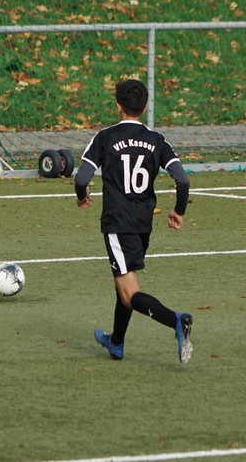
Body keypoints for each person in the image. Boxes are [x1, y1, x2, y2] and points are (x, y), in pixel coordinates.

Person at [73, 79, 193, 363]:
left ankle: (176, 320)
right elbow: (183, 180)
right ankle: (116, 342)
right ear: (146, 107)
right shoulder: (157, 140)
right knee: (123, 281)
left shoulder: (105, 137)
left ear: (118, 107)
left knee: (129, 293)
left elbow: (81, 179)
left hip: (118, 223)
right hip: (143, 225)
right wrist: (178, 210)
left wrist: (81, 195)